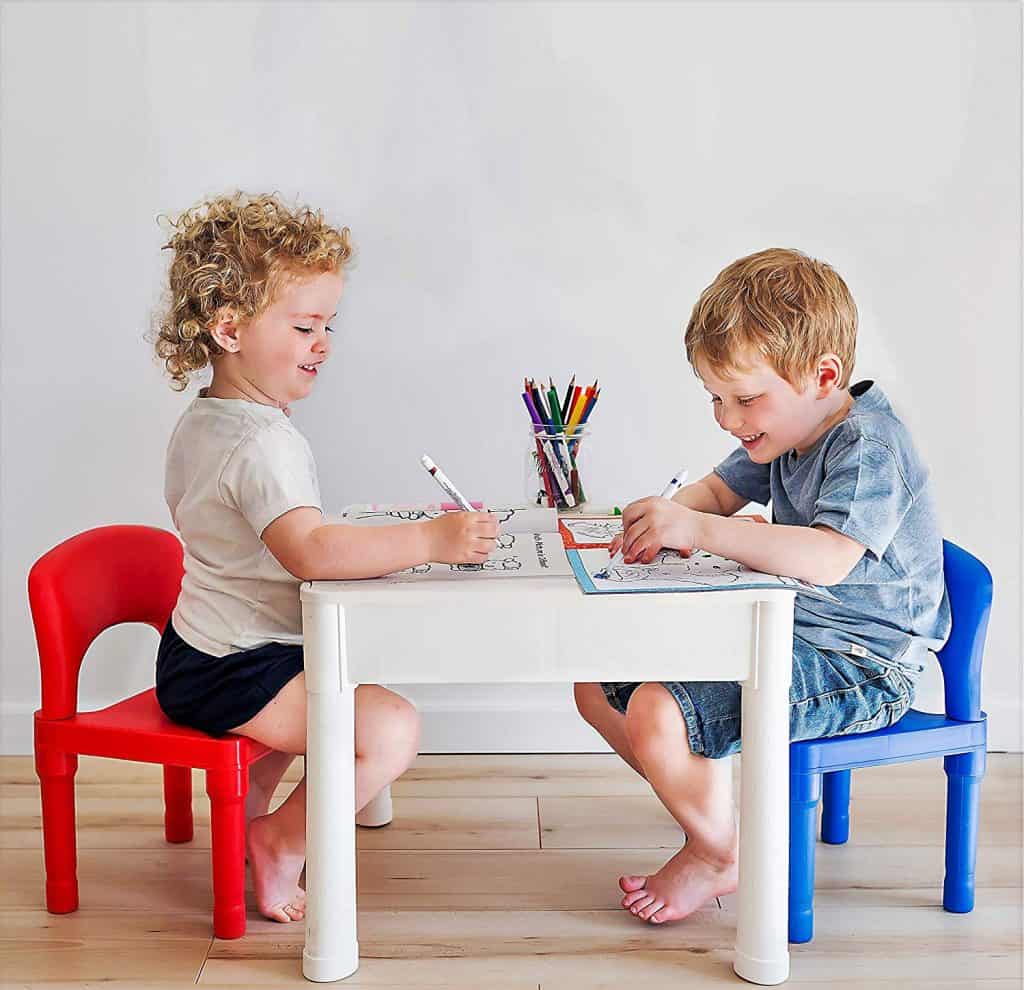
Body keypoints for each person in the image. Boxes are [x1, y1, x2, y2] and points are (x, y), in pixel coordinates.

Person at [574, 248, 950, 925]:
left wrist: (701, 530)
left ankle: (720, 852)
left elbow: (830, 558)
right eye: (715, 398)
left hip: (862, 665)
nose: (726, 417)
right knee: (599, 684)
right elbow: (717, 492)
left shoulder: (869, 447)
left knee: (660, 711)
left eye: (744, 399)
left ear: (822, 375)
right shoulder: (786, 434)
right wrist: (663, 518)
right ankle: (714, 827)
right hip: (786, 633)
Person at [152, 192, 498, 923]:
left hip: (204, 649)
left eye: (328, 325)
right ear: (230, 328)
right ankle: (278, 840)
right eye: (305, 326)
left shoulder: (205, 421)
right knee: (390, 728)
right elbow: (308, 551)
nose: (324, 343)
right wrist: (431, 541)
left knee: (345, 674)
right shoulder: (262, 443)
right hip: (234, 667)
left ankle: (250, 834)